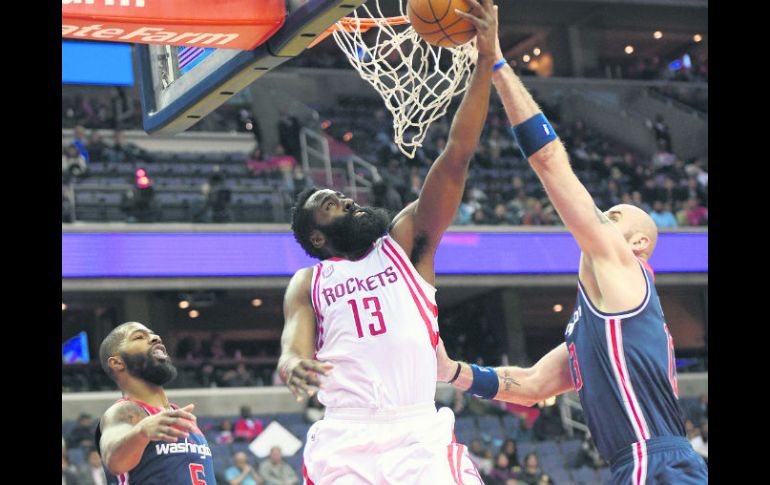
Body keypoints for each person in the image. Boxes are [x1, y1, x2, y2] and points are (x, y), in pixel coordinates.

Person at [436, 30, 708, 484]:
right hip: (635, 465)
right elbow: (533, 387)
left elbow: (549, 162)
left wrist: (498, 64)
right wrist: (453, 372)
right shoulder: (591, 329)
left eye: (615, 215)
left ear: (638, 244)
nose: (602, 214)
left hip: (654, 462)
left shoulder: (626, 269)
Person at [276, 1, 499, 482]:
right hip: (345, 437)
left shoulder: (404, 243)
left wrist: (486, 62)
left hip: (418, 432)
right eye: (333, 204)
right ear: (318, 235)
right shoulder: (308, 281)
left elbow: (457, 155)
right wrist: (293, 364)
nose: (348, 201)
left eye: (343, 195)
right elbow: (292, 348)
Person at [94, 322, 216, 484]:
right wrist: (141, 432)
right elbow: (114, 461)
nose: (155, 338)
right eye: (139, 337)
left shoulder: (178, 415)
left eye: (153, 334)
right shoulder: (125, 411)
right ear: (117, 363)